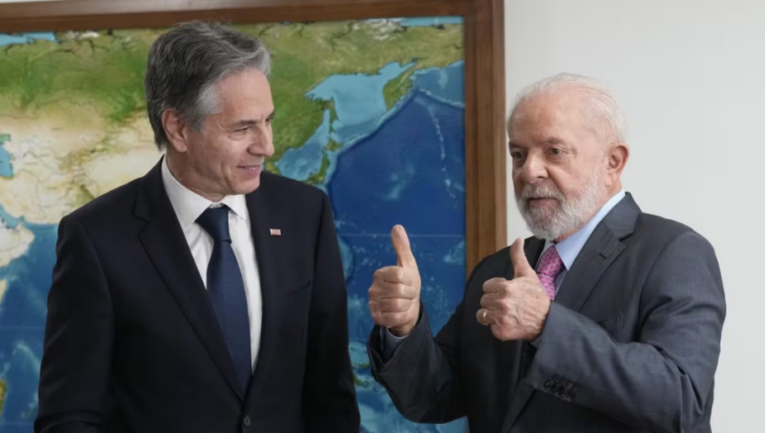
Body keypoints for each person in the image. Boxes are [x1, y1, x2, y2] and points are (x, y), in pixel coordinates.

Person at [35, 21, 360, 433]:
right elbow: (69, 416)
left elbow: (330, 394)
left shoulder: (304, 213)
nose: (266, 145)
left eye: (268, 121)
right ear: (178, 129)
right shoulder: (97, 238)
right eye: (242, 128)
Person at [367, 73, 726, 433]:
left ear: (613, 162)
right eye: (518, 154)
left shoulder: (674, 252)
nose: (528, 171)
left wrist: (545, 326)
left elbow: (681, 401)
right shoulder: (497, 268)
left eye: (554, 151)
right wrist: (404, 326)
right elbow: (433, 396)